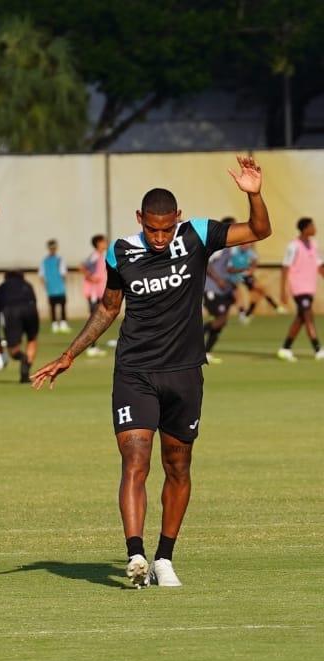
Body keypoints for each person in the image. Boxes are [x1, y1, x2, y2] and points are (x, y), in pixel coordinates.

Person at [31, 156, 272, 588]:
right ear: (139, 219)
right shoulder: (121, 251)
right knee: (135, 461)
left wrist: (254, 194)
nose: (159, 237)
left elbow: (258, 231)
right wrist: (70, 354)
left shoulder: (198, 235)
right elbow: (108, 307)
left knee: (178, 466)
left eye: (166, 228)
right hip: (135, 372)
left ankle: (164, 557)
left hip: (184, 374)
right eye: (151, 228)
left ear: (177, 218)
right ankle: (136, 554)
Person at [277, 217, 324, 361]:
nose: (314, 228)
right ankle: (317, 349)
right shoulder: (293, 246)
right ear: (304, 229)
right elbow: (285, 268)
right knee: (308, 315)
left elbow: (319, 265)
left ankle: (285, 348)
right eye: (312, 226)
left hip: (309, 287)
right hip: (298, 287)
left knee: (301, 318)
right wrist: (283, 291)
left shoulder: (313, 244)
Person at [0, 271, 40, 383]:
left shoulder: (1, 288)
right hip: (31, 310)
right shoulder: (27, 285)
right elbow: (34, 303)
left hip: (12, 312)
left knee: (13, 350)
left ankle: (23, 358)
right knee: (32, 340)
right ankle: (25, 373)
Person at [228, 238, 281, 324]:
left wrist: (251, 270)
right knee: (238, 295)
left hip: (246, 276)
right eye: (244, 244)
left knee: (259, 290)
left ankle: (274, 306)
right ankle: (243, 314)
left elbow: (255, 261)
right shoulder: (233, 251)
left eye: (247, 244)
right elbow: (229, 265)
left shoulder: (249, 252)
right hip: (234, 276)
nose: (246, 246)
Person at [202, 247, 237, 364]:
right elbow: (205, 263)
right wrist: (218, 280)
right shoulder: (218, 248)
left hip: (223, 290)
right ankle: (194, 335)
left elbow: (227, 268)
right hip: (211, 288)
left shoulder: (232, 250)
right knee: (221, 319)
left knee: (222, 321)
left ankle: (207, 352)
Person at [81, 234, 109, 356]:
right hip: (93, 292)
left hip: (99, 292)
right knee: (94, 319)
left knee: (97, 318)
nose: (105, 243)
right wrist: (90, 277)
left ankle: (93, 345)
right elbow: (82, 267)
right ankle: (91, 346)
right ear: (98, 243)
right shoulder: (95, 256)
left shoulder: (101, 256)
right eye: (103, 241)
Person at [38, 240, 68, 333]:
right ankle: (55, 324)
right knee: (54, 306)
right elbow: (42, 274)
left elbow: (63, 273)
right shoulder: (46, 260)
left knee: (61, 306)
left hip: (57, 287)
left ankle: (62, 323)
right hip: (54, 287)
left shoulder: (58, 259)